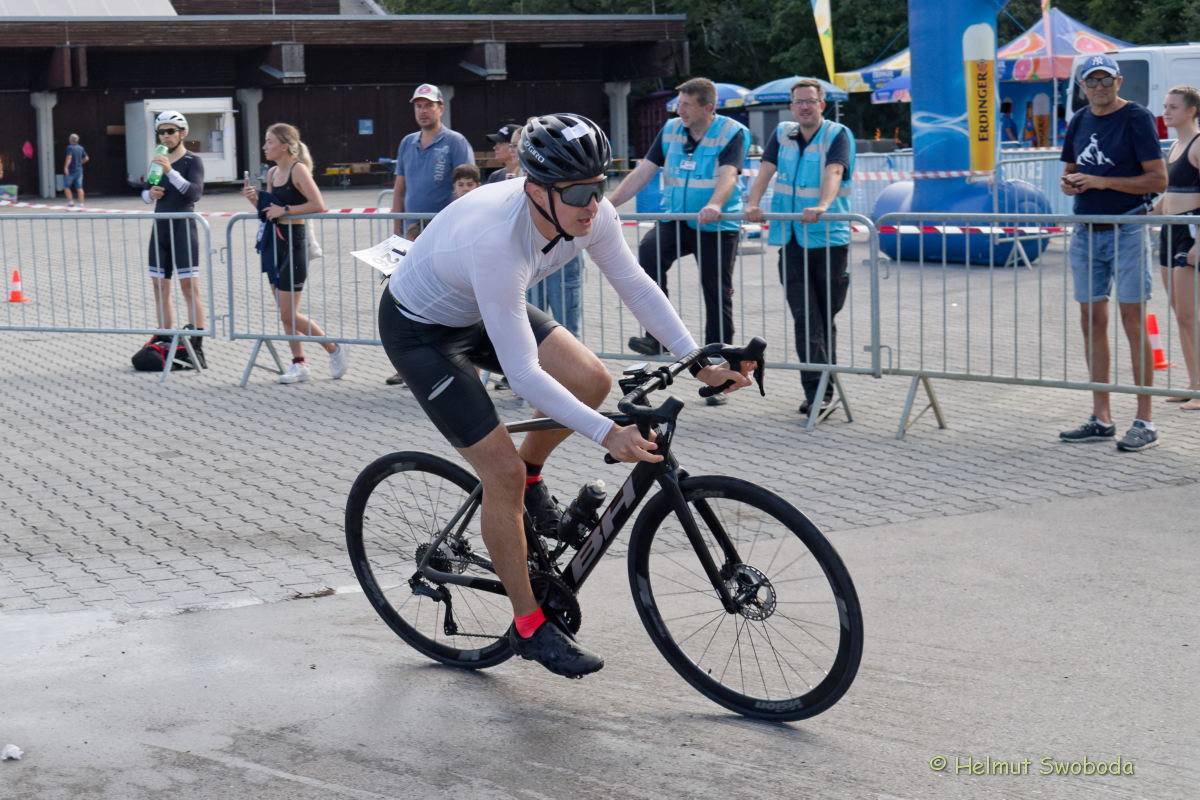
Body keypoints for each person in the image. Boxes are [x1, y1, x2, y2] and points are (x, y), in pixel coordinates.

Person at [377, 113, 752, 678]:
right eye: (578, 193)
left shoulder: (589, 213)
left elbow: (635, 284)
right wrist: (607, 433)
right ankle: (529, 626)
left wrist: (698, 362)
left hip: (479, 307)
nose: (592, 204)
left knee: (592, 379)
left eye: (599, 187)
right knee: (498, 474)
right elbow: (524, 376)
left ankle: (532, 481)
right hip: (420, 331)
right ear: (537, 191)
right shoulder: (497, 241)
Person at [606, 77, 750, 406]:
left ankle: (720, 373)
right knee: (648, 253)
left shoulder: (731, 132)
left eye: (686, 105)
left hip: (716, 224)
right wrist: (608, 204)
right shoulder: (671, 130)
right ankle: (655, 337)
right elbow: (644, 171)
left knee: (716, 292)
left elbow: (729, 174)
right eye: (679, 104)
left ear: (708, 107)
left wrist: (715, 204)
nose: (679, 110)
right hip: (678, 219)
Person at [1059, 55, 1168, 451]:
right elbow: (1068, 170)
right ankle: (1101, 416)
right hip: (1086, 231)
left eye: (1106, 80)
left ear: (1119, 82)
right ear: (1082, 87)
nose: (1099, 87)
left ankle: (1145, 420)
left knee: (1132, 320)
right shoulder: (1079, 120)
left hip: (1128, 229)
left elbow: (1158, 179)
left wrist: (1101, 182)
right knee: (1091, 319)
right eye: (1092, 81)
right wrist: (1069, 183)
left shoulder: (1136, 117)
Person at [745, 78, 855, 416]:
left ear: (822, 105)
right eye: (799, 102)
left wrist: (822, 205)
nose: (805, 107)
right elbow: (765, 171)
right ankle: (818, 392)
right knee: (806, 319)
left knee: (823, 318)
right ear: (792, 107)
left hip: (828, 239)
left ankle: (824, 388)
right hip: (792, 239)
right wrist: (752, 203)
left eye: (810, 101)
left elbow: (834, 171)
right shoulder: (782, 134)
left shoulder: (837, 134)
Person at [242, 123, 347, 385]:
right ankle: (299, 363)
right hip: (274, 242)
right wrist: (254, 200)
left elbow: (317, 204)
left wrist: (286, 210)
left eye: (269, 142)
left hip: (294, 242)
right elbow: (270, 210)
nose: (264, 146)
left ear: (285, 146)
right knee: (284, 311)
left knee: (288, 313)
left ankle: (333, 348)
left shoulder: (298, 170)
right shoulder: (272, 173)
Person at [385, 82, 475, 387]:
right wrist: (396, 228)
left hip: (443, 232)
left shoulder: (455, 142)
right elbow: (400, 188)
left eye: (428, 106)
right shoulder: (407, 142)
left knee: (444, 295)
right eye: (418, 106)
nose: (423, 111)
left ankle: (449, 359)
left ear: (440, 108)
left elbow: (467, 186)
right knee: (409, 297)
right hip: (413, 231)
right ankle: (409, 362)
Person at [141, 110, 207, 367]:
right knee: (159, 286)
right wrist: (151, 194)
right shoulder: (157, 160)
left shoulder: (192, 160)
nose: (165, 136)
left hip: (183, 226)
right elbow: (145, 193)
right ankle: (164, 336)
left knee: (189, 287)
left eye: (170, 131)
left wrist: (170, 171)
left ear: (182, 133)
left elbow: (194, 193)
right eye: (161, 132)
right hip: (160, 226)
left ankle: (197, 343)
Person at [1152, 86, 1200, 410]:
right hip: (1169, 232)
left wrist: (1199, 243)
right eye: (1165, 106)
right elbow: (1168, 195)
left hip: (1190, 233)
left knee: (1190, 314)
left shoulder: (1198, 144)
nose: (1166, 112)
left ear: (1191, 110)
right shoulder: (1173, 146)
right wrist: (1140, 214)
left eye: (1173, 107)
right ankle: (1193, 382)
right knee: (1180, 315)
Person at [62, 133, 88, 207]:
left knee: (66, 186)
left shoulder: (69, 147)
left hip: (71, 170)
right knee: (79, 187)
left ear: (70, 140)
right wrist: (80, 162)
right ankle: (81, 203)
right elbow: (86, 158)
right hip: (79, 170)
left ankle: (71, 202)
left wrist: (66, 167)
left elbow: (69, 157)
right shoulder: (81, 148)